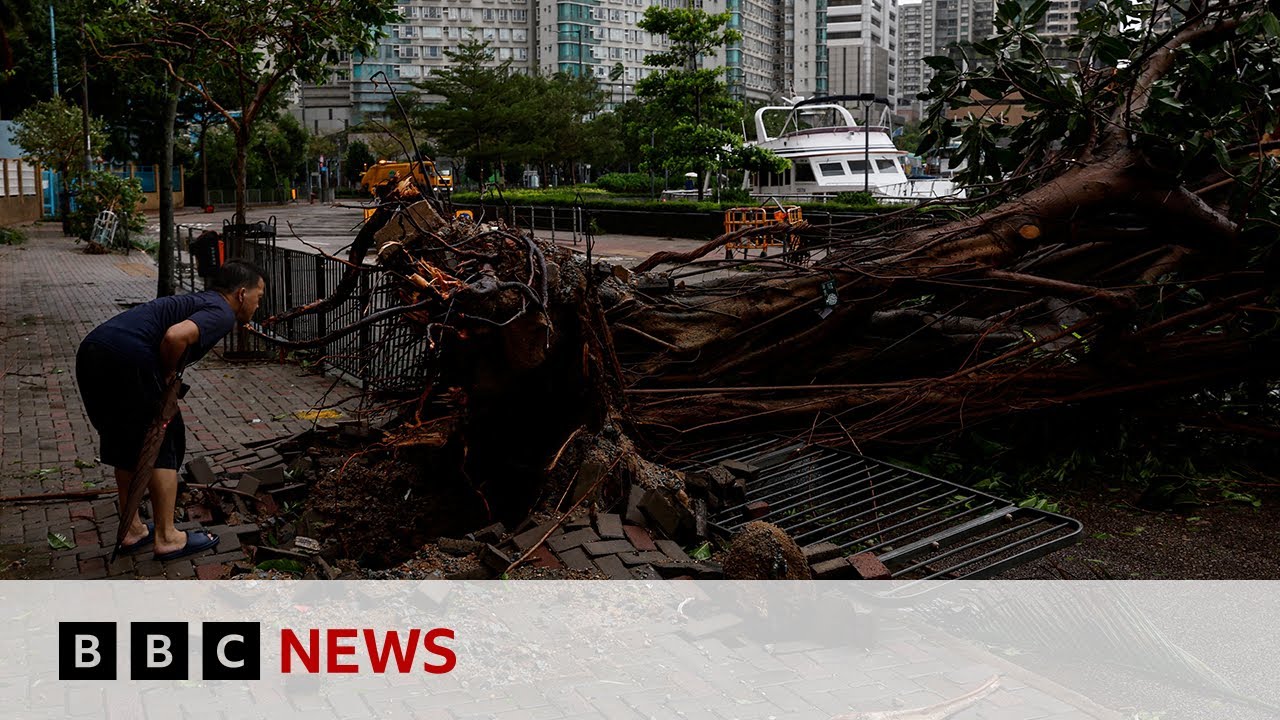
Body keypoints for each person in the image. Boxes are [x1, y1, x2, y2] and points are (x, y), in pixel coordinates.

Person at [75, 260, 266, 561]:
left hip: (93, 350)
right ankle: (167, 536)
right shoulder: (221, 312)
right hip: (129, 356)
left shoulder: (199, 301)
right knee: (164, 435)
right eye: (259, 296)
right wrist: (166, 375)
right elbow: (176, 336)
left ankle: (132, 530)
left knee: (125, 442)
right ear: (242, 294)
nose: (258, 305)